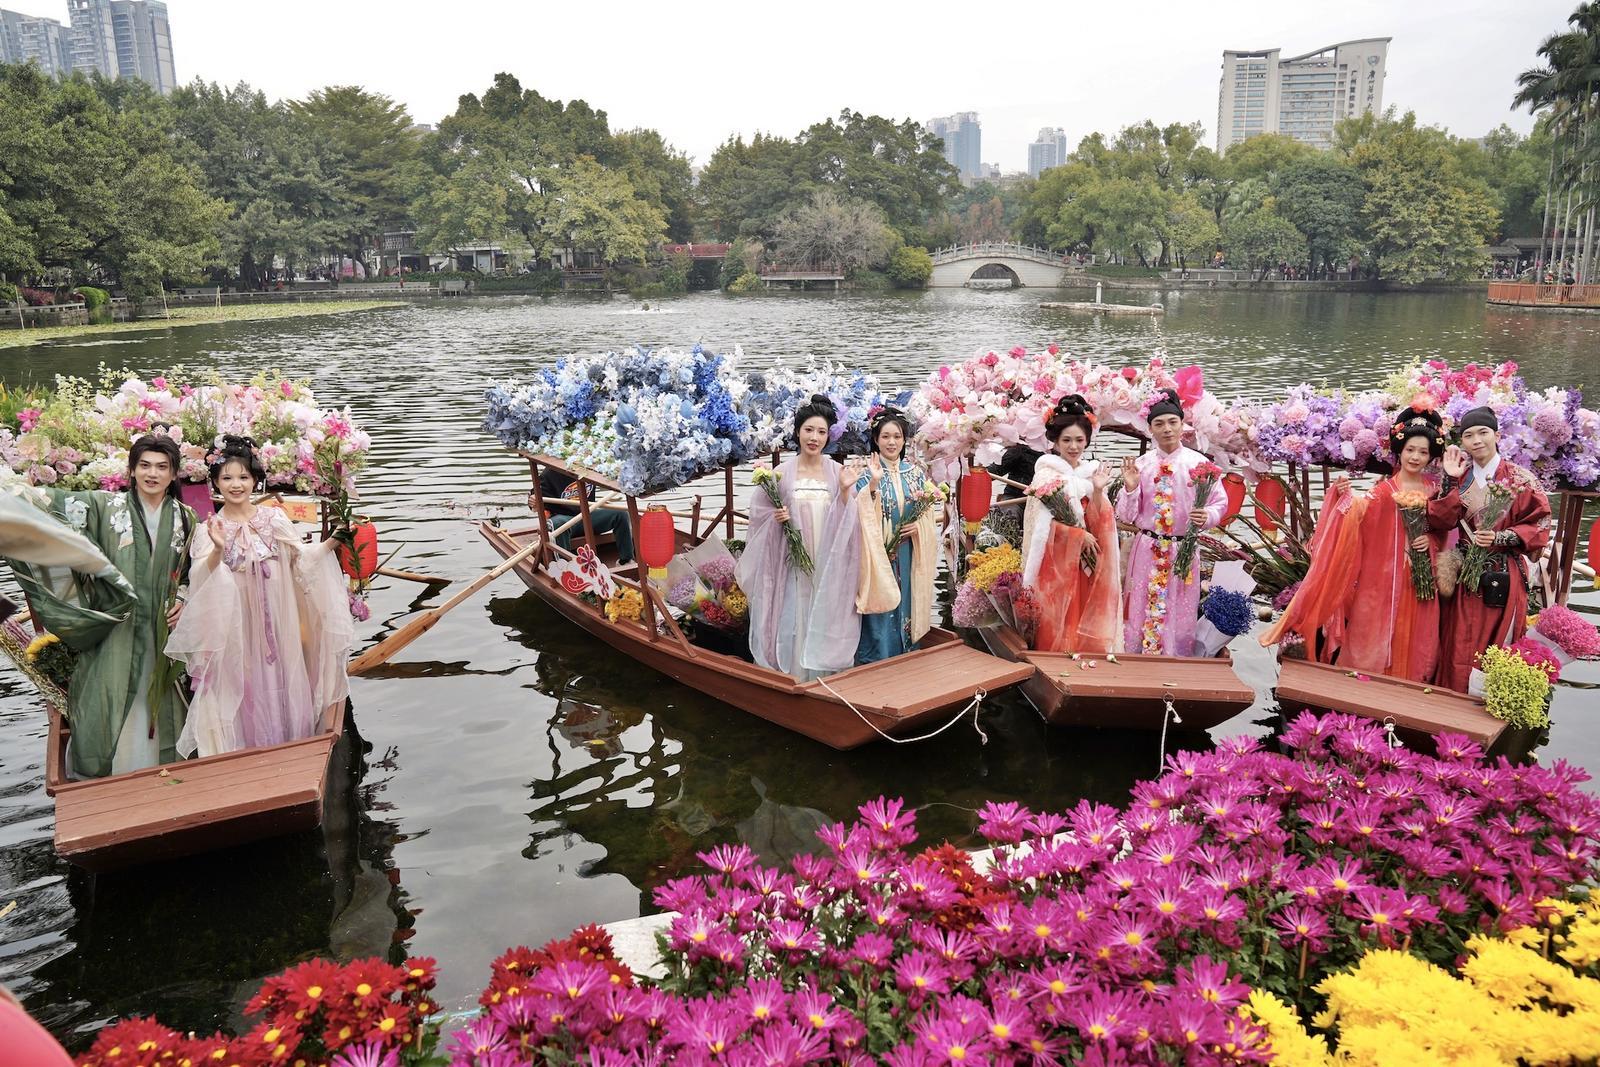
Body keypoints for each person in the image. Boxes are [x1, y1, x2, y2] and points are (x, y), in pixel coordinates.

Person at [1, 433, 195, 777]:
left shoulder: (186, 517)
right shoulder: (103, 506)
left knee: (162, 693)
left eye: (162, 467)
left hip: (163, 627)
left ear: (173, 473)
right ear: (132, 470)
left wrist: (182, 598)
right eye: (144, 465)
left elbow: (193, 572)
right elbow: (49, 506)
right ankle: (108, 773)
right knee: (108, 689)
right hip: (117, 623)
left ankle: (164, 767)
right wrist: (12, 498)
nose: (152, 474)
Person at [166, 436, 353, 757]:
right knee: (242, 679)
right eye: (227, 478)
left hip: (279, 621)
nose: (235, 485)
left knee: (282, 674)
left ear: (255, 480)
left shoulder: (274, 519)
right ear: (215, 482)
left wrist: (331, 543)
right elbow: (200, 577)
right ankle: (242, 752)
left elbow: (300, 562)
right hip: (236, 625)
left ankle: (290, 746)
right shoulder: (210, 527)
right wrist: (219, 550)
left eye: (243, 477)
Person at [1261, 405, 1458, 682]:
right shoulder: (1383, 491)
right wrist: (1341, 497)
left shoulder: (1434, 490)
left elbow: (1445, 530)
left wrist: (1431, 541)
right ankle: (1369, 683)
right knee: (1375, 633)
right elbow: (1357, 513)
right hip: (1384, 579)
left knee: (1419, 632)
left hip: (1420, 576)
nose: (1415, 457)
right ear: (1399, 451)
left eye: (1423, 452)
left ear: (1431, 456)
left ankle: (1415, 683)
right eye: (1410, 450)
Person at [736, 395, 862, 680]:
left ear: (828, 437)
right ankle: (795, 674)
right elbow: (759, 514)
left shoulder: (837, 472)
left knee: (824, 604)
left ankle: (826, 673)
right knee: (795, 608)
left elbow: (851, 518)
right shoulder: (781, 474)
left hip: (826, 557)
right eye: (809, 430)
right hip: (791, 558)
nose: (814, 438)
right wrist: (776, 518)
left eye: (821, 432)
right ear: (797, 432)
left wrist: (844, 492)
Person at [1434, 406, 1552, 692]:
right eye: (1469, 435)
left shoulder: (1520, 479)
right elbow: (1441, 520)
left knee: (1498, 640)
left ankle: (1493, 697)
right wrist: (1449, 480)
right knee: (1458, 636)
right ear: (1463, 442)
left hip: (1503, 572)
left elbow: (1541, 523)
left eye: (1483, 433)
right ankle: (1453, 694)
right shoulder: (1460, 476)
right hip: (1464, 571)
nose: (1477, 440)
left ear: (1497, 436)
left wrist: (1502, 537)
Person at [1115, 388, 1227, 656]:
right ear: (1150, 429)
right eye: (1159, 424)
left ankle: (1177, 656)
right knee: (1140, 601)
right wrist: (1130, 488)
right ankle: (1135, 654)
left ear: (1182, 424)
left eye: (1172, 422)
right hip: (1147, 547)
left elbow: (1219, 502)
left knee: (1181, 605)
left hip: (1183, 549)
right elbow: (1126, 516)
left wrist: (1208, 516)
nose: (1166, 429)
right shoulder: (1141, 466)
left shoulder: (1199, 464)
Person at [1021, 396, 1122, 653]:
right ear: (1055, 442)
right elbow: (1041, 529)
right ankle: (1055, 657)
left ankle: (1089, 654)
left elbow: (1100, 521)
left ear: (1087, 440)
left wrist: (1097, 491)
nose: (1073, 446)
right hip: (1057, 562)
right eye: (1066, 440)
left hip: (1086, 561)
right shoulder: (1046, 476)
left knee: (1085, 608)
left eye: (1079, 440)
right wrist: (1077, 535)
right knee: (1059, 615)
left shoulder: (1091, 475)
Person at [851, 407, 939, 665]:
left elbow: (927, 514)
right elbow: (858, 513)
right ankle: (876, 658)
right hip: (877, 553)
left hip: (908, 552)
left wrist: (919, 528)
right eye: (886, 436)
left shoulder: (915, 474)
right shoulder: (865, 474)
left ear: (904, 440)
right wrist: (873, 485)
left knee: (907, 599)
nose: (892, 442)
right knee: (880, 603)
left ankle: (906, 655)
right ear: (876, 439)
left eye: (897, 437)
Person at [534, 466, 634, 565]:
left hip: (588, 514)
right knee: (556, 524)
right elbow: (535, 495)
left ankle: (626, 560)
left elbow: (610, 476)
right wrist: (533, 500)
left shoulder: (589, 467)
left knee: (621, 514)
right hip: (565, 519)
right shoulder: (551, 472)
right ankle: (564, 566)